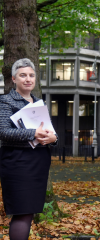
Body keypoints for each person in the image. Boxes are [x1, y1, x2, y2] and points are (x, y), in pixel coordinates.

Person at [0, 58, 58, 240]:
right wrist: (33, 133)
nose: (28, 79)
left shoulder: (39, 102)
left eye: (31, 75)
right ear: (13, 79)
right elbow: (3, 132)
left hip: (38, 162)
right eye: (23, 75)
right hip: (16, 162)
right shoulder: (6, 101)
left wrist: (54, 138)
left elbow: (50, 131)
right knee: (22, 212)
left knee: (29, 212)